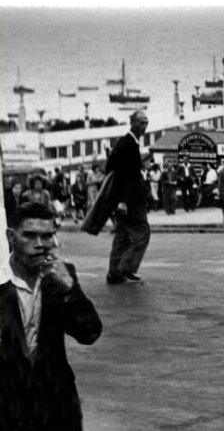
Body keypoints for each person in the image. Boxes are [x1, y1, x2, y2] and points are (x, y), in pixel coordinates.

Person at [1, 202, 102, 430]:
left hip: (56, 402)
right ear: (11, 236)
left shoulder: (60, 276)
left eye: (47, 237)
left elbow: (90, 333)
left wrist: (69, 287)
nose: (39, 245)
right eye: (29, 235)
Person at [104, 110, 151, 285]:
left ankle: (114, 273)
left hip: (124, 199)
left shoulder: (124, 143)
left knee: (122, 235)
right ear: (132, 123)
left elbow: (110, 167)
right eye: (141, 123)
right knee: (142, 232)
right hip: (130, 201)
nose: (144, 126)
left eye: (146, 122)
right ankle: (126, 267)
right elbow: (125, 174)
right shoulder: (129, 144)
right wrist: (123, 201)